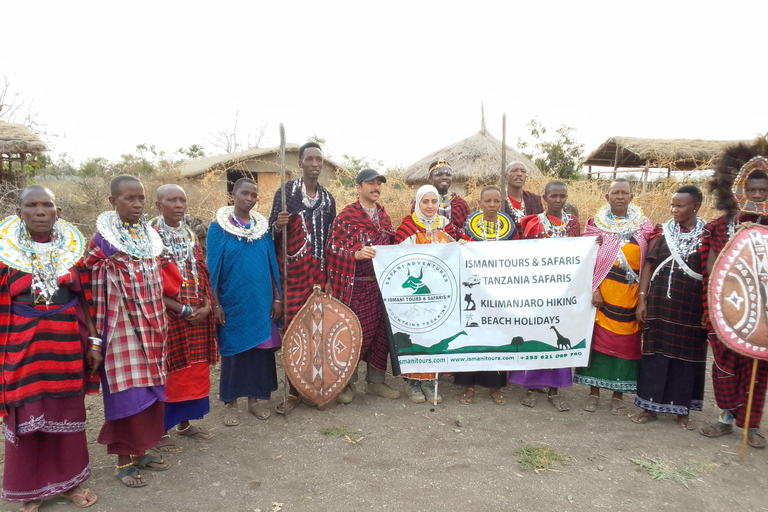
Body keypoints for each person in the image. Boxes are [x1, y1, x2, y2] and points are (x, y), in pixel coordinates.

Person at [0, 186, 100, 510]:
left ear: (58, 211)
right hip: (22, 349)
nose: (41, 211)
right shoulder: (4, 254)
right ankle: (30, 491)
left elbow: (85, 300)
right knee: (26, 417)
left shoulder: (74, 252)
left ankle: (71, 483)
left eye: (48, 205)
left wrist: (94, 343)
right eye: (32, 205)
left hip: (67, 345)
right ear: (20, 213)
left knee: (67, 413)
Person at [86, 175, 180, 488]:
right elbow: (87, 280)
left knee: (151, 392)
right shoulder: (102, 240)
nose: (137, 204)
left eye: (140, 198)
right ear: (113, 202)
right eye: (129, 198)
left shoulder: (148, 235)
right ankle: (124, 460)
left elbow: (163, 275)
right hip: (119, 330)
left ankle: (141, 451)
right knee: (128, 395)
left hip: (153, 326)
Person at [700, 140, 768, 448]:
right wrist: (713, 309)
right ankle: (724, 418)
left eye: (762, 190)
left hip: (763, 312)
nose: (756, 195)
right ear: (738, 190)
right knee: (725, 365)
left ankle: (750, 425)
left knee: (757, 368)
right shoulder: (720, 227)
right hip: (729, 308)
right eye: (751, 190)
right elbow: (713, 271)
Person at [574, 178, 654, 415]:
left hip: (630, 297)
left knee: (627, 345)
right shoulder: (594, 226)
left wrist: (642, 297)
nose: (620, 197)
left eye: (624, 193)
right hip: (603, 296)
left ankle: (618, 395)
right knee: (598, 345)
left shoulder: (645, 228)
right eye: (615, 193)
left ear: (631, 197)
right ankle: (593, 393)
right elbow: (586, 259)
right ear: (607, 197)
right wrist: (595, 289)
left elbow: (650, 260)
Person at [207, 178, 282, 427]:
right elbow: (213, 269)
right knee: (234, 352)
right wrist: (216, 303)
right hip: (232, 301)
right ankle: (231, 402)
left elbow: (271, 264)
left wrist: (277, 297)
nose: (249, 199)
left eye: (254, 195)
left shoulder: (261, 228)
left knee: (259, 353)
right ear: (233, 195)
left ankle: (254, 400)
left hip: (261, 301)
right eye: (244, 193)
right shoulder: (218, 228)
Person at [269, 142, 337, 414]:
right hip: (292, 274)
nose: (314, 163)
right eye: (309, 159)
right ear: (300, 163)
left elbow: (332, 240)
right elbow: (270, 237)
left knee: (316, 333)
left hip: (318, 275)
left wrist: (330, 276)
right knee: (292, 332)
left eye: (319, 159)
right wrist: (278, 225)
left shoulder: (328, 199)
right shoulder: (285, 194)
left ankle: (313, 388)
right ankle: (294, 390)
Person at [632, 185, 707, 429]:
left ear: (695, 206)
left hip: (692, 308)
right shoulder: (661, 232)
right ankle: (649, 407)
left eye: (680, 205)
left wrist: (709, 310)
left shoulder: (708, 235)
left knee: (687, 358)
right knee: (655, 355)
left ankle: (682, 410)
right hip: (659, 307)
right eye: (672, 205)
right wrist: (642, 298)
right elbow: (649, 266)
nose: (674, 209)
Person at [150, 184, 218, 452]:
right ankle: (160, 429)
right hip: (166, 314)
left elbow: (201, 268)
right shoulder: (149, 235)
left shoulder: (189, 232)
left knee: (194, 367)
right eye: (171, 200)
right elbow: (151, 282)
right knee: (169, 370)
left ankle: (185, 423)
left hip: (196, 313)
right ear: (158, 205)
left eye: (182, 200)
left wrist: (206, 305)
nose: (179, 205)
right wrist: (183, 310)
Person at [326, 169, 400, 402]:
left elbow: (391, 245)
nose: (376, 187)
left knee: (381, 335)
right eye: (370, 183)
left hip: (381, 287)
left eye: (379, 183)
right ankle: (347, 384)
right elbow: (332, 249)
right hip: (356, 287)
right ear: (358, 187)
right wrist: (355, 255)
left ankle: (376, 382)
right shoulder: (346, 217)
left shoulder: (384, 217)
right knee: (355, 334)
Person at [509, 180, 579, 412]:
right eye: (553, 196)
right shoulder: (533, 224)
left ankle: (554, 390)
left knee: (559, 338)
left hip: (562, 293)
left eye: (562, 196)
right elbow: (523, 255)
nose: (558, 201)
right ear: (545, 198)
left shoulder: (573, 224)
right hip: (536, 291)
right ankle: (531, 387)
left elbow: (579, 255)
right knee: (536, 335)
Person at [395, 184, 465, 403]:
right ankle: (413, 383)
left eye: (434, 201)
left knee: (435, 334)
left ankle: (430, 381)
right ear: (417, 203)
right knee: (416, 334)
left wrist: (461, 245)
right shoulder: (407, 226)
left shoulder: (446, 225)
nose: (430, 206)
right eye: (425, 201)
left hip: (439, 292)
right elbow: (397, 256)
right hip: (414, 295)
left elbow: (456, 252)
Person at [456, 186, 515, 405]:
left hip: (499, 293)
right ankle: (468, 385)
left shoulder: (509, 228)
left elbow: (518, 256)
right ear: (479, 203)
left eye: (496, 201)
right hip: (473, 292)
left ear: (501, 203)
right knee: (472, 335)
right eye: (488, 201)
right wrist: (462, 246)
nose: (492, 205)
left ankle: (495, 386)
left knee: (497, 336)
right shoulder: (468, 228)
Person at [410, 159, 469, 236]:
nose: (444, 177)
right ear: (430, 178)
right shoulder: (420, 203)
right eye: (438, 174)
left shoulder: (460, 203)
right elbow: (413, 228)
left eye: (448, 174)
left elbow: (466, 231)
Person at [503, 161, 544, 229]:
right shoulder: (498, 199)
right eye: (514, 170)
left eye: (523, 171)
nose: (519, 174)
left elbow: (540, 226)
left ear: (526, 177)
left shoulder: (534, 199)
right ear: (506, 177)